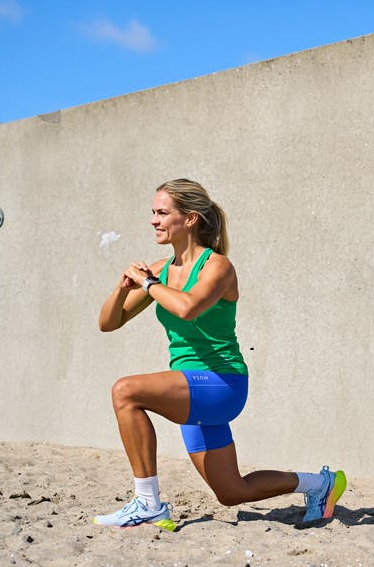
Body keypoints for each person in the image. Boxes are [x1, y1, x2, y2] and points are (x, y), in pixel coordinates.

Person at [94, 178, 345, 530]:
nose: (153, 220)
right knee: (232, 492)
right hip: (193, 390)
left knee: (125, 391)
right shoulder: (161, 270)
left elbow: (188, 308)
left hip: (221, 384)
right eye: (153, 213)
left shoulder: (218, 267)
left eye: (163, 213)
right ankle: (321, 484)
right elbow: (108, 323)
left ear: (191, 219)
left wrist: (149, 285)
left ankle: (148, 503)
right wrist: (122, 289)